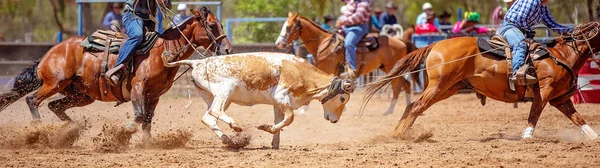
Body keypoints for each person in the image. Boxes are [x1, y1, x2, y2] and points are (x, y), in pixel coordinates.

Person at [498, 0, 572, 83]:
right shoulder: (533, 1)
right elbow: (521, 18)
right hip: (510, 27)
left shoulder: (542, 8)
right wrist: (529, 32)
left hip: (519, 29)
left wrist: (570, 31)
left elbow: (552, 24)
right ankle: (518, 73)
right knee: (520, 44)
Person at [105, 0, 172, 85]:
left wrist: (165, 1)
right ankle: (118, 68)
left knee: (158, 41)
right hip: (132, 15)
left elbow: (168, 7)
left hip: (149, 20)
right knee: (137, 35)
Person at [335, 0, 371, 79]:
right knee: (334, 40)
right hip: (346, 27)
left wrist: (342, 22)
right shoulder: (352, 1)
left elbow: (358, 17)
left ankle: (351, 70)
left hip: (358, 27)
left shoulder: (364, 3)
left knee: (349, 43)